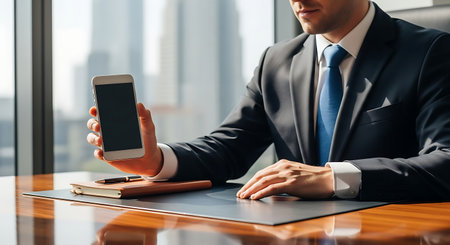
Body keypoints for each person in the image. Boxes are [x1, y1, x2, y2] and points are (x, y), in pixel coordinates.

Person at [87, 0, 450, 201]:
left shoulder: (430, 52)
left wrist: (331, 177)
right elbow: (229, 149)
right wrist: (155, 160)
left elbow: (445, 161)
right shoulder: (276, 61)